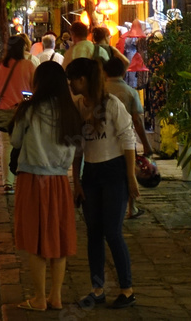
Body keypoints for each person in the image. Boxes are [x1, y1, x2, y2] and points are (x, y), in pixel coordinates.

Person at [66, 58, 139, 310]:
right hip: (92, 173)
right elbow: (78, 148)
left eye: (72, 80)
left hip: (114, 170)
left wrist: (130, 177)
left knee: (113, 232)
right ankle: (97, 289)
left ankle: (127, 289)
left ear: (83, 80)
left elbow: (128, 139)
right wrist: (76, 182)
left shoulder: (112, 105)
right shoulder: (78, 106)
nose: (71, 85)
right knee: (94, 233)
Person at [10, 61, 83, 311]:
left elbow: (15, 139)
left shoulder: (30, 110)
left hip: (32, 179)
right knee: (58, 238)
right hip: (60, 180)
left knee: (35, 239)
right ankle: (56, 296)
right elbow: (75, 150)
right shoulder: (71, 112)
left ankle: (39, 298)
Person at [104, 56, 153, 219]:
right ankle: (132, 208)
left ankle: (107, 206)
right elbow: (137, 121)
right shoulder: (130, 92)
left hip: (103, 140)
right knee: (129, 171)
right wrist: (146, 144)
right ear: (124, 72)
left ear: (105, 72)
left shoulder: (101, 90)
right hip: (126, 140)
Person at [0, 37, 35, 194]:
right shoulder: (28, 65)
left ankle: (7, 183)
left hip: (5, 111)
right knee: (25, 146)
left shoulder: (0, 66)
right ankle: (22, 180)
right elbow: (35, 88)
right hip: (24, 112)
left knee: (7, 147)